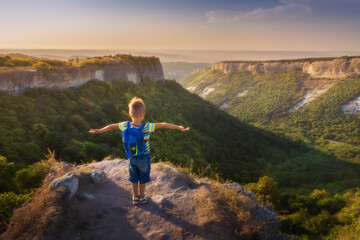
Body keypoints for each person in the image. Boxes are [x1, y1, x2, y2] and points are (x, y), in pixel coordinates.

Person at [89, 97, 190, 204]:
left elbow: (111, 126)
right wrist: (179, 127)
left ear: (130, 113)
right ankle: (142, 197)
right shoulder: (147, 127)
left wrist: (100, 131)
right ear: (143, 114)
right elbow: (164, 124)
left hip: (131, 156)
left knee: (133, 177)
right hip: (144, 157)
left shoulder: (125, 125)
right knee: (143, 177)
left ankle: (135, 197)